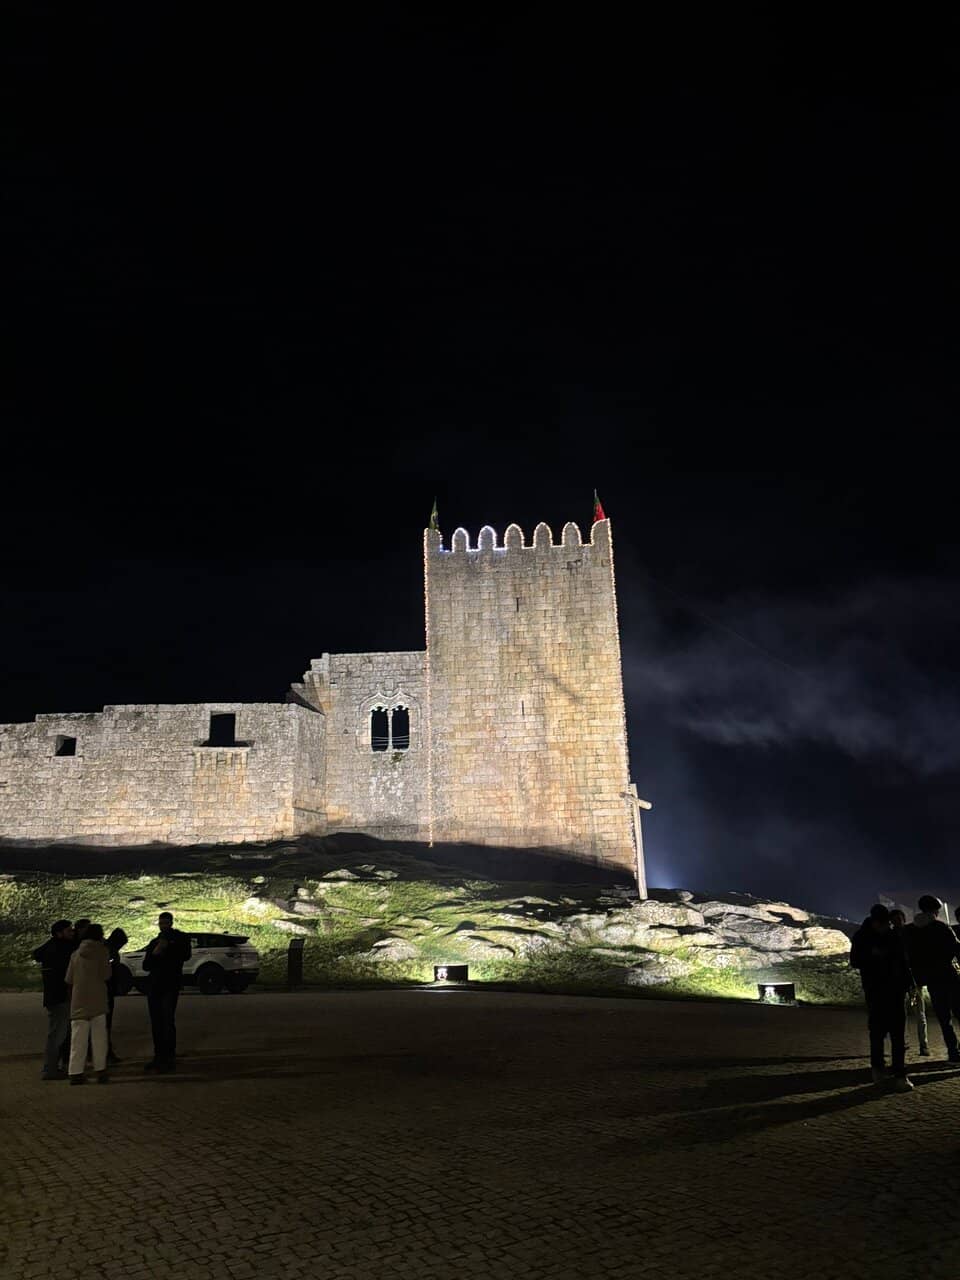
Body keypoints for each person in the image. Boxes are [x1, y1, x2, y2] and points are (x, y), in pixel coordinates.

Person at [849, 904, 914, 1091]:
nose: (886, 927)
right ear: (875, 922)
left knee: (898, 1034)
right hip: (875, 990)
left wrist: (908, 984)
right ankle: (878, 1069)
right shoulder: (862, 937)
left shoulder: (893, 935)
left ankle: (900, 1073)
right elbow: (855, 961)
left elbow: (903, 961)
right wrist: (872, 955)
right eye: (883, 924)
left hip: (896, 990)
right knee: (877, 1032)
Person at [904, 895, 960, 1063]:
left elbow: (910, 955)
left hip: (931, 979)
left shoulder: (911, 930)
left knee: (944, 1019)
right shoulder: (941, 927)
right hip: (948, 976)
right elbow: (956, 949)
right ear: (935, 910)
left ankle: (953, 1051)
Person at [143, 912, 191, 1073]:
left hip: (170, 985)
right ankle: (158, 1057)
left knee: (167, 1021)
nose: (163, 926)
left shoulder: (180, 939)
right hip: (155, 986)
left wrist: (168, 947)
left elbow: (186, 955)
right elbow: (146, 965)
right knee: (157, 1022)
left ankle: (169, 1058)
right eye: (161, 923)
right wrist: (156, 952)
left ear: (171, 923)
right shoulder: (154, 942)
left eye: (165, 923)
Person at [64, 923, 112, 1085]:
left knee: (78, 1038)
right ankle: (100, 1071)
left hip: (79, 999)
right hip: (97, 998)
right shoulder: (103, 952)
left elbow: (69, 979)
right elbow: (106, 975)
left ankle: (75, 1073)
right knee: (99, 1038)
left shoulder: (75, 954)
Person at [32, 920, 75, 1080]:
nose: (72, 933)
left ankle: (51, 1067)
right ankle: (50, 1070)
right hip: (60, 997)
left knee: (57, 1033)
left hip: (53, 997)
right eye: (69, 931)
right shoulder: (60, 950)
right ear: (59, 933)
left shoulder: (50, 948)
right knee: (57, 1034)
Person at [890, 909, 929, 1055]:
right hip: (902, 979)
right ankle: (906, 1043)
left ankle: (923, 1045)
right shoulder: (895, 935)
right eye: (894, 920)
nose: (897, 922)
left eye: (898, 919)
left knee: (920, 1013)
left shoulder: (909, 933)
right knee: (902, 1014)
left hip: (913, 978)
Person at [104, 927, 129, 1065]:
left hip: (108, 990)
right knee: (105, 1024)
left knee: (105, 1024)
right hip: (106, 991)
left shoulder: (108, 949)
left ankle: (106, 1052)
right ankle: (106, 1053)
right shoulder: (109, 951)